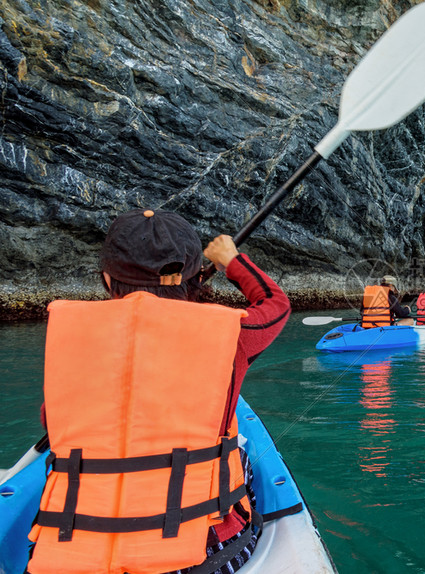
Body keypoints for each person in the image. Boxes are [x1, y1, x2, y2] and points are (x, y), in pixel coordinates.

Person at [27, 208, 290, 574]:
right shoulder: (231, 336)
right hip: (203, 557)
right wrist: (232, 260)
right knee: (240, 458)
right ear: (197, 276)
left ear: (106, 278)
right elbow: (276, 306)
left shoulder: (72, 340)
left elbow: (51, 420)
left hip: (75, 560)